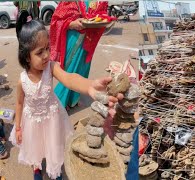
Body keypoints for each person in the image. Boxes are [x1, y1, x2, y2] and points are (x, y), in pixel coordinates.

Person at [8, 20, 122, 180]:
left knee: (53, 145)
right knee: (35, 144)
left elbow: (69, 78)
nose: (47, 55)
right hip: (32, 120)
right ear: (27, 57)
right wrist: (19, 128)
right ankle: (36, 165)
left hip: (52, 119)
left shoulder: (51, 67)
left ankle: (55, 168)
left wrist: (89, 86)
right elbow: (19, 104)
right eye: (40, 52)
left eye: (48, 48)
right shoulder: (22, 80)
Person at [50, 1, 116, 108]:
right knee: (70, 70)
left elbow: (101, 15)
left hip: (89, 38)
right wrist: (71, 24)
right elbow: (56, 20)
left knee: (82, 69)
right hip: (74, 37)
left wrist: (100, 19)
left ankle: (72, 100)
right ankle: (59, 103)